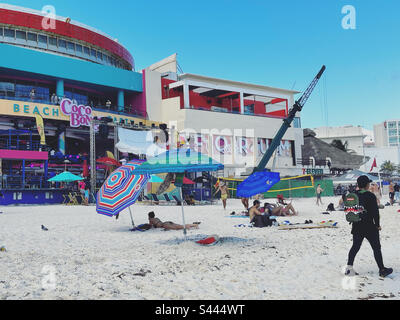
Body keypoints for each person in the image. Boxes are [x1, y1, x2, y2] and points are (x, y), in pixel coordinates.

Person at [345, 175, 393, 278]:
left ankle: (349, 268)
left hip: (356, 225)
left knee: (355, 247)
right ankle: (382, 269)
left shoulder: (353, 195)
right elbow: (375, 212)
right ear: (367, 184)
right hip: (369, 226)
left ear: (358, 184)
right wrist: (378, 225)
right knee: (376, 248)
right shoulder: (370, 196)